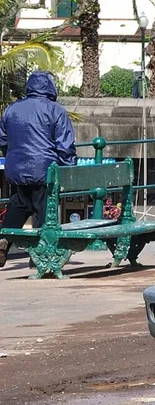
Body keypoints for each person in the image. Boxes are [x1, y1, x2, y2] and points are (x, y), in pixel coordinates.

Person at [0, 72, 77, 266]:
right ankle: (41, 257)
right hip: (45, 171)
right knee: (44, 213)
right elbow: (65, 146)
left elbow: (3, 140)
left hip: (16, 170)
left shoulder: (12, 109)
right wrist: (68, 169)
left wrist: (13, 158)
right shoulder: (55, 111)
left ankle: (4, 239)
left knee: (19, 204)